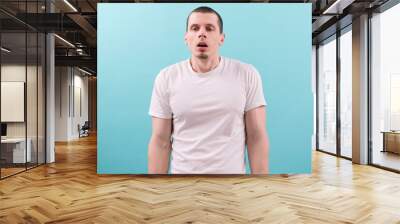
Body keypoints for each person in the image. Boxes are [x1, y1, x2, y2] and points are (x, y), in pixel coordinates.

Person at [148, 6, 269, 174]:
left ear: (221, 38)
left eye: (209, 28)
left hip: (232, 183)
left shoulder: (247, 74)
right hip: (182, 183)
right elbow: (160, 140)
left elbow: (256, 136)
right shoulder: (166, 77)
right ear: (186, 37)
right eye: (195, 28)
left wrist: (262, 186)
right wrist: (155, 188)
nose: (201, 33)